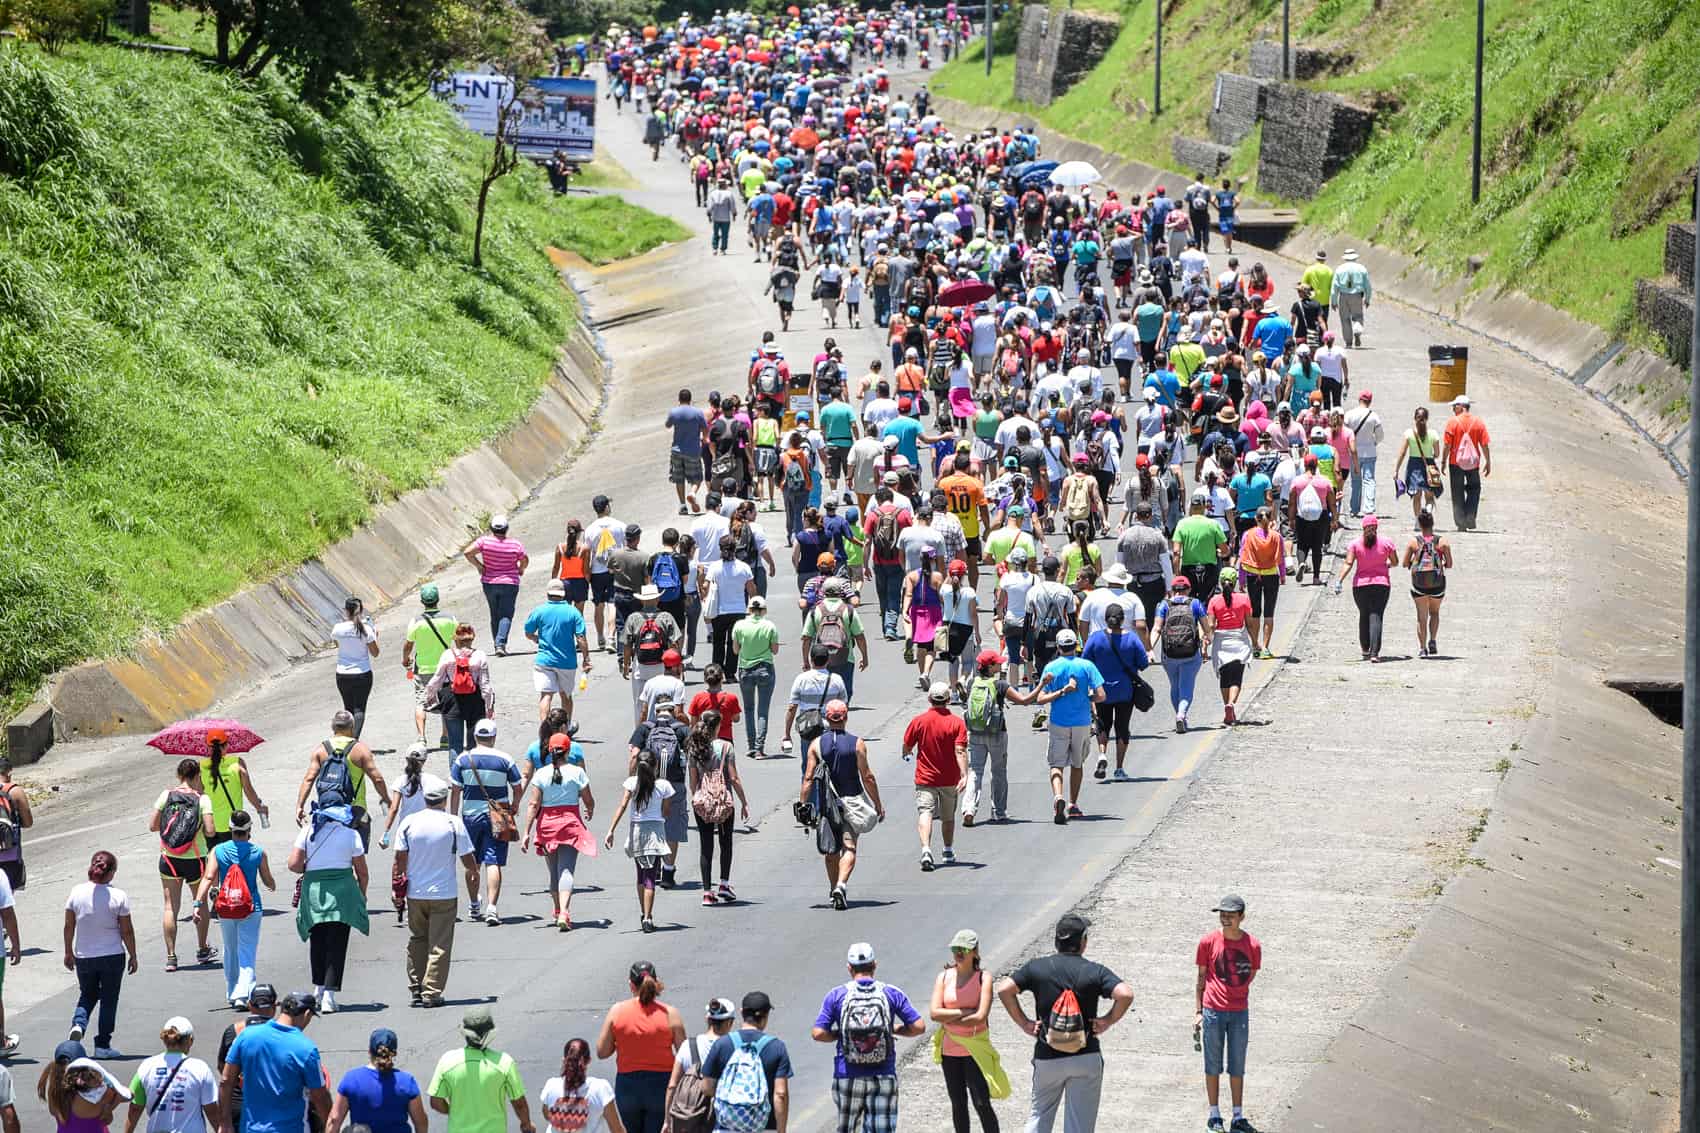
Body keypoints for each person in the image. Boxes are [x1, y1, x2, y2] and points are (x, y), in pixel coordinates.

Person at [995, 914, 1134, 1133]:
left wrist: (1025, 1024)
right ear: (1083, 942)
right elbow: (1125, 994)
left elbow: (1004, 989)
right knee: (1079, 1125)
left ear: (1057, 941)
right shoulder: (1094, 971)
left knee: (1040, 1114)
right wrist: (1107, 1021)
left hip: (1047, 1057)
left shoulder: (1037, 967)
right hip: (1085, 1055)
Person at [812, 943, 926, 1133]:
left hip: (847, 1074)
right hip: (883, 1073)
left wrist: (840, 1034)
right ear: (874, 965)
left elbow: (818, 1033)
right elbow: (918, 1027)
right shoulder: (890, 993)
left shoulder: (837, 995)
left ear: (849, 967)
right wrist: (893, 1029)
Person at [396, 776, 475, 1006]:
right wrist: (473, 872)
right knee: (439, 944)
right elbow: (467, 858)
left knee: (417, 939)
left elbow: (400, 856)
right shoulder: (453, 823)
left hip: (415, 892)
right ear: (444, 798)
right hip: (444, 893)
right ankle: (431, 991)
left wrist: (399, 883)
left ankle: (416, 988)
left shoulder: (410, 822)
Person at [288, 796, 368, 1015]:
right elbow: (361, 871)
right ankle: (329, 997)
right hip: (343, 894)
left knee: (318, 941)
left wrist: (311, 868)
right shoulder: (351, 834)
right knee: (337, 943)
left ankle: (318, 988)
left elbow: (293, 864)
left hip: (314, 892)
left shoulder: (307, 831)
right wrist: (362, 895)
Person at [800, 701, 883, 910]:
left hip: (827, 806)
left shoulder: (816, 745)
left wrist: (803, 804)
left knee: (830, 849)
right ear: (845, 717)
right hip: (852, 802)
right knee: (849, 847)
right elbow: (868, 776)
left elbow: (808, 777)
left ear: (827, 719)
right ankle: (841, 884)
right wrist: (877, 804)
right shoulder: (857, 743)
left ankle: (833, 888)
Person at [192, 810, 273, 1010]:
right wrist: (272, 883)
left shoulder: (218, 851)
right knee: (247, 952)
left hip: (226, 908)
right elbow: (268, 880)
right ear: (249, 829)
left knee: (230, 949)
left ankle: (232, 991)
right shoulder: (258, 852)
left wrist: (197, 903)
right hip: (250, 907)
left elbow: (209, 877)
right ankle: (242, 994)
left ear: (230, 828)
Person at [1194, 895, 1261, 1133]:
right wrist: (1199, 1010)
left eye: (1230, 915)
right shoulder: (1207, 942)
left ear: (1241, 917)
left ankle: (1237, 1116)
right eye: (1222, 915)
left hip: (1239, 1011)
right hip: (1213, 1011)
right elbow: (1201, 978)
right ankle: (1214, 1115)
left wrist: (1235, 992)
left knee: (1237, 1065)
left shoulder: (1253, 945)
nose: (1225, 919)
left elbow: (1250, 973)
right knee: (1212, 1064)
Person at [220, 991, 331, 1133]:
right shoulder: (306, 1049)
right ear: (307, 1014)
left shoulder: (246, 1036)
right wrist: (331, 1126)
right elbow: (319, 1096)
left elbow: (226, 1081)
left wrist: (225, 1122)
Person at [595, 961, 687, 1133]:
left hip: (628, 1086)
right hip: (661, 1085)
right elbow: (685, 1054)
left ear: (631, 985)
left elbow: (602, 1051)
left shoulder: (617, 1011)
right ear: (655, 981)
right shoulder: (670, 1013)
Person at [520, 735, 597, 933]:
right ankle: (564, 911)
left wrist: (527, 832)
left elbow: (533, 804)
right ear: (568, 751)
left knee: (553, 870)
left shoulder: (542, 774)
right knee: (566, 869)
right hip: (570, 823)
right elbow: (588, 798)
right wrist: (590, 808)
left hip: (547, 825)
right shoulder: (577, 772)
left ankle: (557, 909)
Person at [450, 718, 523, 926]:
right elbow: (517, 786)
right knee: (494, 860)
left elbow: (456, 791)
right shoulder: (504, 759)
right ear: (494, 737)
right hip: (499, 814)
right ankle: (492, 907)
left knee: (472, 862)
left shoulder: (463, 759)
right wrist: (515, 805)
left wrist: (454, 817)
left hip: (470, 816)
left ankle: (474, 903)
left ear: (475, 737)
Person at [66, 851, 138, 1059]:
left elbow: (68, 925)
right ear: (112, 872)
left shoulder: (76, 892)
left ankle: (78, 1023)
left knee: (87, 994)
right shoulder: (119, 896)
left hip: (84, 956)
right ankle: (103, 1045)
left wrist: (68, 951)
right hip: (112, 956)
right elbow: (127, 930)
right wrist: (133, 954)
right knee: (109, 999)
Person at [931, 930, 1003, 1133]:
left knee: (981, 1102)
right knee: (958, 1104)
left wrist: (951, 1018)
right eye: (955, 949)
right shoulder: (944, 977)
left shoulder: (983, 978)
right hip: (950, 1051)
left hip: (975, 1050)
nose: (958, 953)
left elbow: (981, 1017)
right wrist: (964, 1012)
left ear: (975, 951)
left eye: (963, 949)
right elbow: (934, 1013)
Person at [150, 758, 217, 972]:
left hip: (169, 858)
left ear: (179, 775)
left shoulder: (166, 795)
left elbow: (152, 826)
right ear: (197, 775)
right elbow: (211, 831)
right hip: (195, 859)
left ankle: (171, 956)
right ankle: (202, 948)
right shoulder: (202, 799)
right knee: (201, 903)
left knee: (171, 907)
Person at [294, 709, 391, 851]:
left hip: (328, 809)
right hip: (355, 810)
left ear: (333, 727)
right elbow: (377, 779)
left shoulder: (321, 749)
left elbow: (309, 779)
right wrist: (386, 798)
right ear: (352, 727)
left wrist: (299, 806)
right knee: (358, 859)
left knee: (331, 855)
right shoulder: (360, 749)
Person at [429, 1007, 534, 1133]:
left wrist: (454, 1111)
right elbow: (519, 1104)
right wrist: (526, 1124)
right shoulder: (504, 1063)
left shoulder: (447, 1061)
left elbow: (436, 1103)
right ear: (490, 1033)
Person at [602, 754, 675, 934]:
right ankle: (648, 918)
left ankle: (644, 913)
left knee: (640, 876)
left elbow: (622, 806)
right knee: (651, 877)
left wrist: (611, 830)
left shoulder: (631, 783)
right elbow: (666, 812)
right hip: (655, 834)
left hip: (636, 833)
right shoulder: (663, 785)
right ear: (656, 765)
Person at [702, 991, 793, 1133]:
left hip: (727, 1127)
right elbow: (780, 1094)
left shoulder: (722, 1044)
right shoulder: (777, 1047)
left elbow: (706, 1087)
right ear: (766, 1016)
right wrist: (781, 1130)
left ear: (741, 1012)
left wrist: (733, 1100)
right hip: (764, 1127)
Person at [1037, 630, 1104, 823]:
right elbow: (1101, 695)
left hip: (1059, 721)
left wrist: (1060, 692)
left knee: (1056, 764)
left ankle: (1058, 796)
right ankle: (1073, 804)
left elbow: (1041, 699)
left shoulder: (1051, 667)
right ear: (1076, 645)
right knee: (1077, 764)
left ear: (1058, 647)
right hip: (1082, 722)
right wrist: (1086, 697)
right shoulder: (1087, 666)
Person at [685, 711, 750, 906]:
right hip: (723, 800)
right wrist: (744, 801)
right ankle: (724, 883)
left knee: (706, 845)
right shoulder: (725, 747)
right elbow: (734, 778)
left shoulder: (695, 748)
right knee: (725, 841)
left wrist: (697, 796)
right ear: (718, 727)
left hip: (703, 801)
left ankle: (707, 891)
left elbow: (693, 780)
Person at [903, 682, 969, 873]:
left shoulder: (919, 721)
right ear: (948, 700)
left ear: (929, 699)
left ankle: (925, 849)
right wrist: (964, 774)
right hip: (949, 778)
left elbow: (907, 746)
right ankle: (947, 850)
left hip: (925, 778)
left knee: (925, 812)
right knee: (948, 816)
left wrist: (906, 753)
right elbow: (960, 750)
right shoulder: (957, 723)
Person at [1081, 605, 1150, 778]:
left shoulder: (1095, 638)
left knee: (1103, 724)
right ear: (1123, 619)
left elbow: (1086, 663)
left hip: (1101, 690)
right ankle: (1119, 768)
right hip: (1125, 691)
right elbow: (1143, 663)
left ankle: (1102, 753)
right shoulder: (1133, 639)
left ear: (1106, 619)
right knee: (1122, 727)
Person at [125, 1016, 220, 1133]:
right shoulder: (200, 1068)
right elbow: (211, 1111)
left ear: (164, 1040)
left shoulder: (146, 1066)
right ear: (190, 1040)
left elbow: (135, 1108)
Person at [330, 1027, 428, 1133]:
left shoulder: (351, 1079)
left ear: (369, 1051)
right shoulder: (407, 1082)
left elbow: (334, 1120)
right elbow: (421, 1122)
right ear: (394, 1053)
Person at [1333, 514, 1400, 661]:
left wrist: (1339, 580)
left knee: (1364, 615)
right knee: (1376, 615)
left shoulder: (1355, 544)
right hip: (1382, 584)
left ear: (1363, 528)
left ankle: (1365, 649)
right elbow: (1395, 562)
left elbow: (1348, 563)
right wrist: (1387, 565)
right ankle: (1374, 653)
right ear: (1376, 527)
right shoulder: (1387, 543)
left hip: (1360, 586)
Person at [423, 624, 496, 758]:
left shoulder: (448, 655)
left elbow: (437, 679)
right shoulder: (480, 655)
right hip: (475, 700)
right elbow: (485, 684)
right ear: (472, 639)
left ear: (455, 639)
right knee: (473, 743)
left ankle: (455, 776)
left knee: (455, 743)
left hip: (452, 700)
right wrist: (489, 706)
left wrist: (428, 697)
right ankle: (472, 774)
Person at [525, 579, 592, 723]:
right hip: (566, 662)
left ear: (548, 593)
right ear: (563, 594)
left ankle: (544, 730)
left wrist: (537, 639)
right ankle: (565, 727)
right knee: (566, 696)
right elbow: (580, 637)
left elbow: (528, 632)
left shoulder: (539, 611)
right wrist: (586, 658)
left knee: (546, 696)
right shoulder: (573, 612)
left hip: (544, 660)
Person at [1152, 577, 1209, 733]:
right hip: (1191, 653)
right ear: (1188, 589)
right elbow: (1206, 627)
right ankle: (1181, 714)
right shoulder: (1195, 603)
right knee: (1187, 685)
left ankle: (1179, 714)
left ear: (1173, 589)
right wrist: (1206, 643)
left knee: (1175, 685)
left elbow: (1157, 628)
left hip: (1169, 654)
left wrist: (1149, 649)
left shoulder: (1164, 605)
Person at [404, 584, 458, 745]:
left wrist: (405, 658)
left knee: (421, 701)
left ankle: (421, 737)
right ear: (437, 600)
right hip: (446, 667)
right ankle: (445, 737)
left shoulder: (416, 621)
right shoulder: (450, 619)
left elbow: (408, 644)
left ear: (422, 601)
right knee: (446, 699)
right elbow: (459, 638)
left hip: (423, 668)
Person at [799, 577, 870, 701]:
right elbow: (859, 636)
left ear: (823, 591)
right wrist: (864, 657)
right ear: (840, 591)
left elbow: (806, 638)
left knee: (823, 693)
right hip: (846, 657)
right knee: (845, 693)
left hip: (821, 658)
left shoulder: (815, 610)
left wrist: (805, 660)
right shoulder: (848, 610)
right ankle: (839, 715)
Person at [198, 731, 268, 851]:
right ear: (226, 746)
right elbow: (248, 790)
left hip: (210, 825)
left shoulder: (201, 766)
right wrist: (259, 807)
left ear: (208, 748)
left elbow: (199, 794)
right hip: (233, 824)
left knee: (214, 863)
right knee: (236, 864)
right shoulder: (237, 763)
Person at [542, 1038, 624, 1133]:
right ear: (588, 1061)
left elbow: (546, 1113)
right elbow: (616, 1129)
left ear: (564, 1060)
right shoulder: (600, 1088)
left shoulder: (551, 1085)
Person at [1403, 509, 1454, 657]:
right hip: (1437, 584)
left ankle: (1422, 648)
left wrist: (1415, 562)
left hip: (1418, 585)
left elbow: (1405, 563)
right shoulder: (1442, 542)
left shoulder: (1414, 542)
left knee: (1421, 616)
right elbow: (1449, 564)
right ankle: (1433, 640)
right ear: (1433, 523)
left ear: (1420, 524)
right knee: (1435, 612)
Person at [1207, 568, 1255, 726]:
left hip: (1221, 642)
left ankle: (1226, 706)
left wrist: (1205, 641)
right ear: (1235, 582)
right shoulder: (1244, 599)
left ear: (1220, 582)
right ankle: (1231, 704)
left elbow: (1211, 625)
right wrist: (1255, 642)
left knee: (1225, 678)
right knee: (1236, 677)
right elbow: (1249, 623)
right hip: (1239, 640)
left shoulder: (1214, 601)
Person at [1236, 507, 1285, 659]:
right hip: (1271, 575)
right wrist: (1282, 576)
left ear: (1255, 518)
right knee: (1269, 613)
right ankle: (1265, 647)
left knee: (1255, 612)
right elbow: (1281, 558)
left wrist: (1242, 578)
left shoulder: (1247, 535)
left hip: (1252, 575)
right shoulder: (1277, 536)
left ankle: (1255, 645)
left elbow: (1243, 557)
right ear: (1271, 519)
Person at [731, 599, 777, 757]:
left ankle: (751, 745)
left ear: (749, 609)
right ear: (763, 610)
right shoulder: (769, 626)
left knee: (749, 709)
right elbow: (775, 650)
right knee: (763, 710)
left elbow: (736, 650)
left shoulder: (739, 625)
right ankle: (759, 747)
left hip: (746, 670)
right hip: (765, 668)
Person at [1439, 394, 1491, 531]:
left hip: (1455, 462)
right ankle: (1470, 514)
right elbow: (1484, 444)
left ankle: (1461, 522)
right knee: (1474, 489)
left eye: (1454, 406)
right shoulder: (1478, 422)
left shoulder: (1453, 422)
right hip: (1473, 463)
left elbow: (1447, 445)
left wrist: (1443, 461)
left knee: (1457, 492)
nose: (1452, 409)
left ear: (1461, 407)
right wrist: (1488, 461)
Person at [329, 596, 379, 738]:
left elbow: (338, 645)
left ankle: (346, 739)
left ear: (345, 611)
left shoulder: (337, 628)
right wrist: (375, 636)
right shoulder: (367, 630)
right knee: (359, 710)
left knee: (348, 708)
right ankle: (353, 740)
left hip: (342, 674)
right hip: (362, 673)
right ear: (361, 610)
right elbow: (375, 653)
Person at [44, 1049, 124, 1132]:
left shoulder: (54, 1092)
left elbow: (53, 1112)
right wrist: (109, 1108)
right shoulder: (99, 1095)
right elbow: (108, 1119)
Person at [1173, 489, 1227, 601]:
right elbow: (1224, 550)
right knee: (1207, 602)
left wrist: (1177, 573)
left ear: (1191, 507)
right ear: (1205, 507)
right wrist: (1222, 552)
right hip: (1209, 569)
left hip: (1188, 569)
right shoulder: (1213, 524)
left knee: (1189, 602)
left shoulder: (1182, 524)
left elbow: (1176, 552)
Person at [1392, 406, 1439, 524]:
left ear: (1414, 418)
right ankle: (1428, 511)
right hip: (1429, 465)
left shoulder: (1409, 434)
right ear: (1427, 419)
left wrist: (1396, 469)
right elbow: (1437, 453)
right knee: (1429, 496)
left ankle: (1418, 521)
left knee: (1416, 496)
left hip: (1414, 466)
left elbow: (1402, 453)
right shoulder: (1433, 434)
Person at [1342, 391, 1384, 519]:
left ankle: (1354, 509)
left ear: (1359, 399)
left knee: (1355, 481)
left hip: (1353, 452)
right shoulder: (1374, 416)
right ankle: (1368, 508)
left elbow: (1344, 433)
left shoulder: (1349, 415)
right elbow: (1380, 435)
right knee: (1369, 480)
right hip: (1369, 451)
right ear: (1370, 401)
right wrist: (1374, 442)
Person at [668, 388, 710, 512]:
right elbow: (705, 429)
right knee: (697, 477)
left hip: (677, 450)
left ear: (679, 400)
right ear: (691, 400)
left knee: (678, 478)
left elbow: (668, 424)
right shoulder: (698, 413)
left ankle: (682, 505)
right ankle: (692, 493)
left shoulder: (674, 412)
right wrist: (704, 439)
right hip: (693, 450)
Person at [0, 760, 31, 895]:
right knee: (6, 902)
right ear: (9, 772)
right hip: (9, 856)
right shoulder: (15, 791)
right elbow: (28, 822)